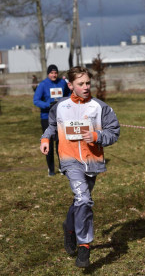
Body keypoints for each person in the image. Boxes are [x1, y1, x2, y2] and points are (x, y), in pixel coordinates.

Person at [39, 66, 120, 268]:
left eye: (87, 83)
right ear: (70, 85)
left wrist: (97, 136)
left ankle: (69, 228)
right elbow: (51, 125)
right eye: (80, 84)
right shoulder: (60, 106)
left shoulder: (100, 107)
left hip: (92, 161)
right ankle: (84, 245)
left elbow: (114, 132)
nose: (85, 87)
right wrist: (46, 138)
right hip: (69, 159)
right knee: (84, 198)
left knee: (80, 200)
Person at [34, 64, 70, 176]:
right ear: (48, 74)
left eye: (55, 73)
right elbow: (36, 100)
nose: (54, 75)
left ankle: (62, 167)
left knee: (61, 143)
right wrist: (48, 105)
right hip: (46, 117)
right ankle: (51, 169)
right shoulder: (43, 84)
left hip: (61, 117)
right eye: (51, 73)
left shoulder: (62, 83)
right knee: (48, 142)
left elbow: (69, 95)